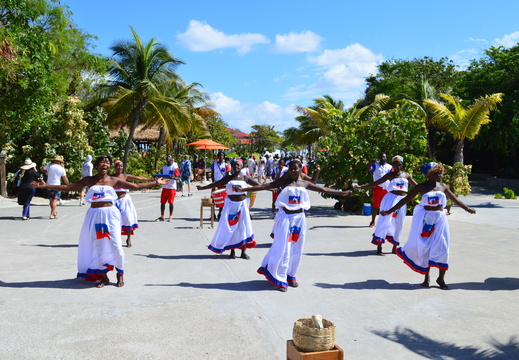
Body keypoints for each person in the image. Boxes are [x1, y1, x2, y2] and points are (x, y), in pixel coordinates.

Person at [32, 155, 169, 288]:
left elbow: (135, 186)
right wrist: (46, 186)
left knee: (115, 243)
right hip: (95, 215)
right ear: (96, 165)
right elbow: (69, 187)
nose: (105, 164)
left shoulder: (113, 180)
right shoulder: (88, 180)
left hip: (111, 215)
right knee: (98, 245)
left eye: (107, 162)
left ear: (109, 166)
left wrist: (156, 182)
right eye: (102, 162)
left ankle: (120, 273)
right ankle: (103, 276)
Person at [245, 160, 352, 291]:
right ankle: (280, 278)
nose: (293, 171)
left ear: (301, 169)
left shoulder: (305, 183)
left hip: (299, 219)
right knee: (284, 248)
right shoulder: (283, 182)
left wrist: (341, 193)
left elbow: (323, 189)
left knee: (297, 248)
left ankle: (291, 275)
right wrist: (244, 189)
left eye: (295, 169)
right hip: (285, 218)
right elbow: (263, 186)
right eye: (291, 169)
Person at [381, 162, 476, 290]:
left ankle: (441, 278)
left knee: (442, 246)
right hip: (425, 221)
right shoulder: (421, 187)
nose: (441, 176)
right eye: (437, 174)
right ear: (430, 175)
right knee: (425, 247)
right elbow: (405, 200)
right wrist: (389, 211)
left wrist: (467, 209)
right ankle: (427, 278)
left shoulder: (443, 187)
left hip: (440, 220)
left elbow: (455, 200)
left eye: (441, 173)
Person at [197, 159, 259, 259]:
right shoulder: (228, 178)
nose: (236, 167)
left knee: (243, 227)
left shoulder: (245, 178)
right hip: (231, 206)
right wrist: (202, 188)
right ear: (232, 167)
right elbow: (215, 184)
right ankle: (232, 251)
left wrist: (271, 189)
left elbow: (259, 185)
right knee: (230, 228)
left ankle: (243, 252)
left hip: (242, 206)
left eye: (238, 165)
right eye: (234, 165)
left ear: (242, 166)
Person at [355, 155, 417, 255]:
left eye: (400, 165)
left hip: (402, 200)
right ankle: (379, 246)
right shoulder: (389, 175)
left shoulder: (407, 175)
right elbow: (375, 183)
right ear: (393, 165)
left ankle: (394, 247)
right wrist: (360, 187)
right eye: (396, 165)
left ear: (402, 165)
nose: (398, 167)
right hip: (390, 199)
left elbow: (418, 187)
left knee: (399, 222)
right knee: (385, 221)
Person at [112, 159, 154, 247]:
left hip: (124, 201)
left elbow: (139, 179)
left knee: (128, 218)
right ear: (114, 167)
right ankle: (115, 239)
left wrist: (151, 179)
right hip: (114, 201)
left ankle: (129, 238)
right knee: (114, 220)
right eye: (117, 166)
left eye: (121, 166)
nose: (119, 168)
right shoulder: (111, 177)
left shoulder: (125, 176)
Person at [367, 152, 392, 227]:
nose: (382, 158)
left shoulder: (389, 167)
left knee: (386, 206)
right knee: (375, 205)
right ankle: (372, 221)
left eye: (384, 157)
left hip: (387, 189)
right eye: (381, 157)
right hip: (378, 188)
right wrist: (370, 163)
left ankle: (384, 222)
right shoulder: (376, 165)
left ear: (386, 158)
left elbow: (393, 176)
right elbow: (369, 170)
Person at [41, 155, 69, 219]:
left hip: (48, 185)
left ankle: (54, 212)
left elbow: (42, 169)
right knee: (55, 200)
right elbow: (65, 178)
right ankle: (52, 214)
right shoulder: (61, 168)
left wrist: (46, 172)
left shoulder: (49, 166)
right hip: (57, 186)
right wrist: (68, 184)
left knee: (51, 200)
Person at [156, 155, 180, 222]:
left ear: (172, 159)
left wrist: (173, 178)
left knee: (171, 203)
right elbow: (161, 176)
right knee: (162, 202)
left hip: (171, 187)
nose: (167, 158)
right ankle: (162, 216)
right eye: (167, 157)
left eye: (169, 157)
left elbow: (178, 178)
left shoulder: (175, 167)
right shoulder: (164, 167)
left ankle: (170, 216)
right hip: (164, 187)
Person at [211, 151, 230, 221]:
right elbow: (212, 174)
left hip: (223, 185)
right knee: (213, 199)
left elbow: (227, 175)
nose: (221, 157)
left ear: (224, 157)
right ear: (218, 157)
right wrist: (213, 183)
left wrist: (226, 183)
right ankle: (213, 214)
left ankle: (220, 213)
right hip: (215, 184)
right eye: (220, 155)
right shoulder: (214, 164)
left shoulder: (226, 165)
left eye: (222, 155)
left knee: (222, 200)